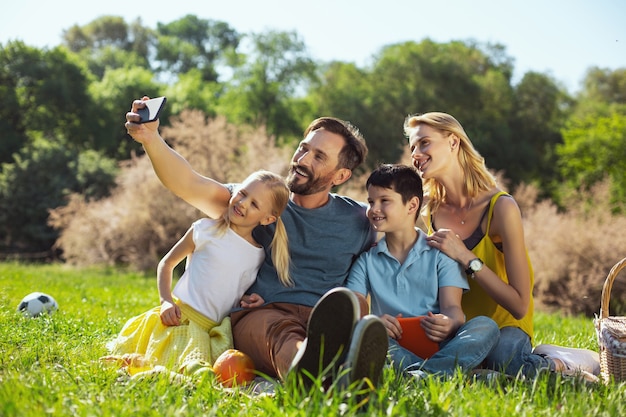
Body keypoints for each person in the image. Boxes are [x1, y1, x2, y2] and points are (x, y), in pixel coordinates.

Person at [124, 97, 388, 388]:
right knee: (281, 335)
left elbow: (405, 236)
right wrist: (151, 139)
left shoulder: (359, 219)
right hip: (264, 314)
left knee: (326, 333)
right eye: (303, 148)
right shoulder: (259, 202)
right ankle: (315, 375)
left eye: (318, 157)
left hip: (324, 318)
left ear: (340, 175)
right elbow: (189, 184)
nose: (302, 160)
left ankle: (340, 366)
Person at [404, 112, 600, 378]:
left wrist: (466, 256)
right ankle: (470, 371)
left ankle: (560, 362)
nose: (416, 153)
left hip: (505, 325)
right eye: (413, 146)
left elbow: (519, 304)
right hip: (458, 327)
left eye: (424, 143)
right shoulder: (426, 209)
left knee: (504, 359)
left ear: (453, 142)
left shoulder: (501, 208)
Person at [102, 170, 290, 377]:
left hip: (213, 330)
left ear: (267, 219)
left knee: (212, 371)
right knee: (187, 365)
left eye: (254, 204)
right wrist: (165, 301)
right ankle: (168, 374)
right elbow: (167, 264)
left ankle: (178, 375)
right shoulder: (205, 230)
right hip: (182, 320)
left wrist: (247, 300)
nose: (243, 203)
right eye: (243, 193)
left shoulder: (257, 255)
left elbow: (228, 288)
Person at [346, 164, 500, 378]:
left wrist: (449, 323)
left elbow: (453, 308)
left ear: (412, 206)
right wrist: (374, 322)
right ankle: (448, 375)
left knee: (486, 326)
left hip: (441, 344)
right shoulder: (366, 261)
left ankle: (421, 375)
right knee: (366, 337)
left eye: (384, 201)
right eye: (371, 201)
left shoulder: (440, 254)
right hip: (394, 346)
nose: (374, 209)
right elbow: (353, 310)